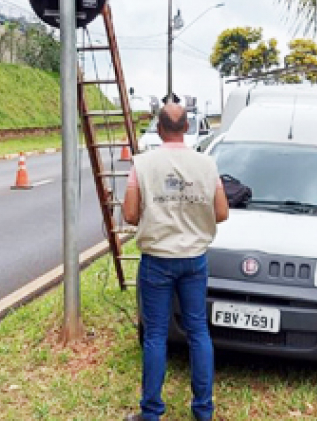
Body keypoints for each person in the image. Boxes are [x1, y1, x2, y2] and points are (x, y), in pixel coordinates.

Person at [123, 102, 229, 421]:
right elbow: (222, 212)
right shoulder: (207, 165)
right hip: (194, 260)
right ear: (186, 127)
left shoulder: (142, 165)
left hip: (156, 260)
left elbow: (129, 214)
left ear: (158, 128)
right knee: (198, 330)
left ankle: (152, 412)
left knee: (155, 334)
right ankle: (203, 410)